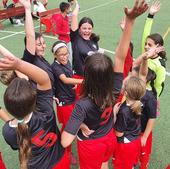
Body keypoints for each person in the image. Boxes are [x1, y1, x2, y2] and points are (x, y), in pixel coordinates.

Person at [61, 1, 148, 169]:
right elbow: (120, 58)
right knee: (104, 163)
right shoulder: (115, 89)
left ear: (86, 76)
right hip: (109, 138)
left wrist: (79, 124)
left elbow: (65, 141)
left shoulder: (81, 105)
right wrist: (130, 22)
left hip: (92, 144)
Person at [51, 40, 83, 165]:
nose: (65, 57)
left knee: (72, 123)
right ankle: (66, 151)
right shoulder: (55, 67)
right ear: (55, 56)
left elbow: (69, 77)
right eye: (62, 55)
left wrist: (74, 85)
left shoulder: (67, 62)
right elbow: (64, 79)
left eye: (66, 54)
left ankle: (65, 145)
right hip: (64, 103)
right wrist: (82, 82)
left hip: (72, 98)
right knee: (68, 127)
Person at [141, 0, 166, 98]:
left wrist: (154, 101)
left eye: (150, 45)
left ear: (158, 47)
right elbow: (145, 33)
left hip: (147, 97)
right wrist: (150, 15)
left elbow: (159, 85)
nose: (146, 46)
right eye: (146, 44)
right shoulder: (145, 53)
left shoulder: (160, 65)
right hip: (136, 92)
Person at [52, 2, 73, 66]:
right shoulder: (59, 19)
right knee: (63, 57)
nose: (70, 9)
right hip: (63, 41)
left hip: (68, 40)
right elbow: (57, 31)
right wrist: (66, 33)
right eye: (69, 8)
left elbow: (66, 27)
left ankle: (69, 68)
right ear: (66, 9)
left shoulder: (66, 17)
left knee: (70, 56)